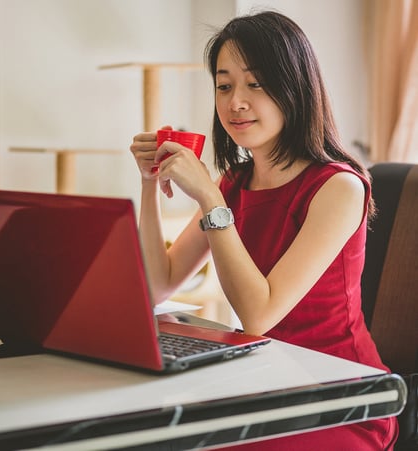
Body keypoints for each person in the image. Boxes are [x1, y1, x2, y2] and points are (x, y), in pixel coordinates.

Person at [130, 10, 398, 450]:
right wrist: (147, 182)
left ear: (295, 87)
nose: (236, 101)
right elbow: (159, 285)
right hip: (267, 378)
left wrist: (211, 200)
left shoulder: (338, 186)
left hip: (343, 396)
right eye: (224, 85)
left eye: (255, 84)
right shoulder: (236, 182)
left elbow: (259, 315)